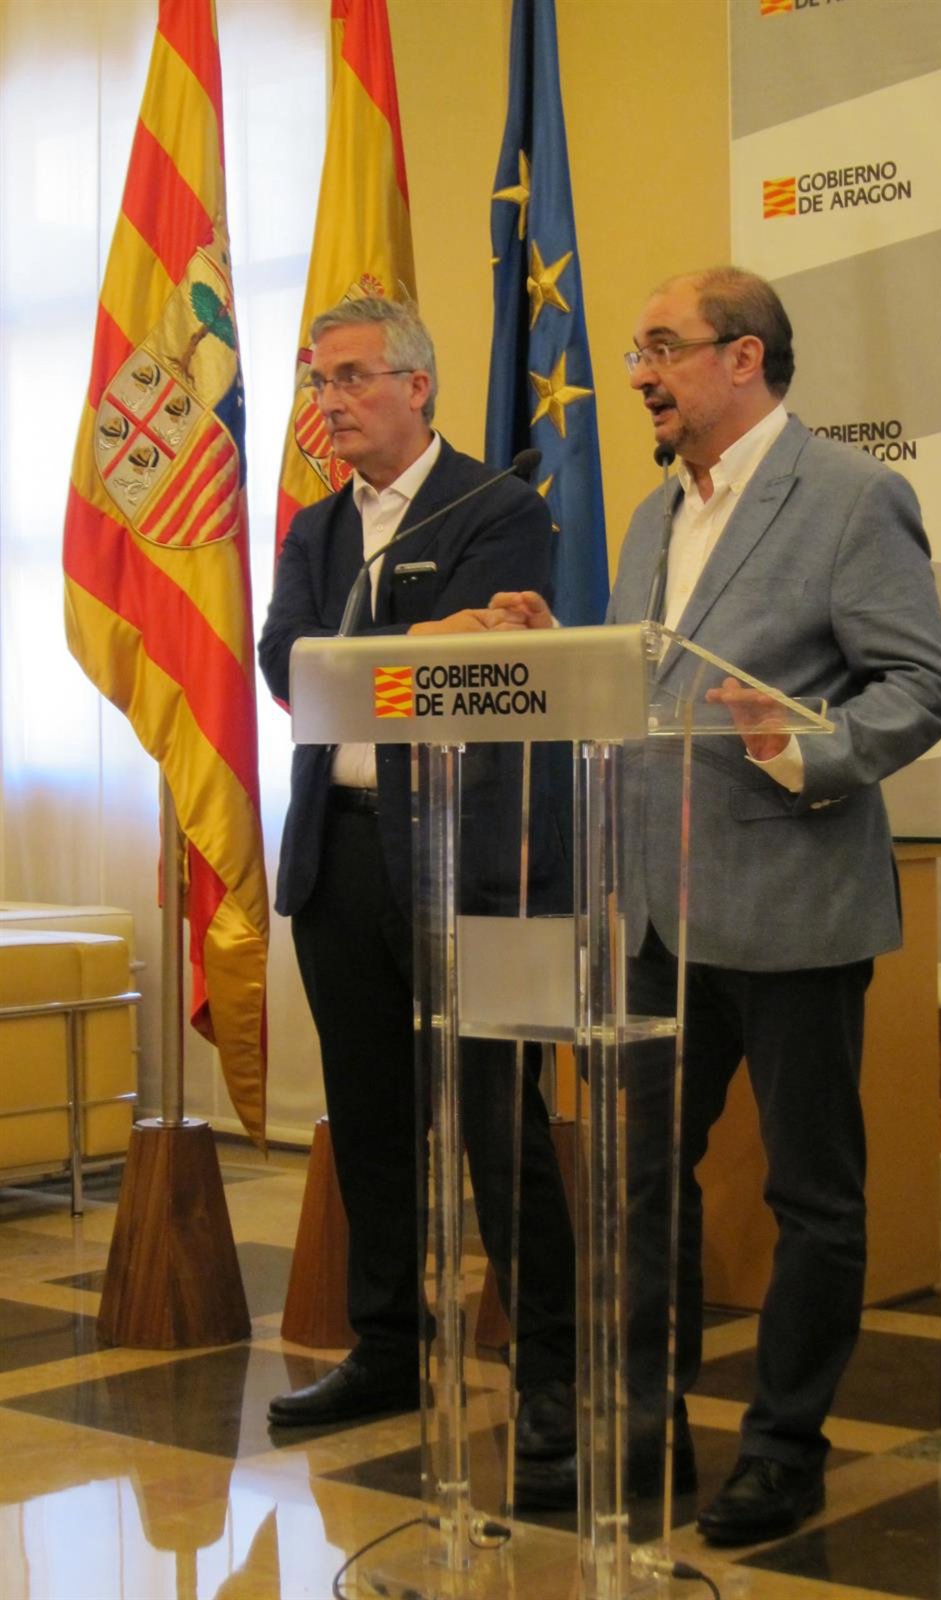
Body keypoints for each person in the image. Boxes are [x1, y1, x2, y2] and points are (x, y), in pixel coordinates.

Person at [490, 267, 941, 1544]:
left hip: (795, 904)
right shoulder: (654, 518)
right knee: (640, 1185)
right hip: (655, 914)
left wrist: (803, 746)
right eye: (638, 351)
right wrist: (564, 644)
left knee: (814, 1197)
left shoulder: (851, 496)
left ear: (743, 357)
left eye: (662, 348)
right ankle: (646, 1427)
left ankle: (784, 1448)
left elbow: (920, 686)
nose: (639, 373)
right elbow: (655, 683)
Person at [258, 297, 576, 1501]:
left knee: (500, 1122)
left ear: (417, 385)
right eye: (318, 381)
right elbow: (287, 663)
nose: (329, 401)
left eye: (350, 377)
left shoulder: (497, 506)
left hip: (468, 857)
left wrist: (391, 656)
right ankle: (389, 1348)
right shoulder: (315, 525)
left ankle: (548, 1369)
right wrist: (412, 641)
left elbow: (479, 665)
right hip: (338, 856)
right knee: (371, 1120)